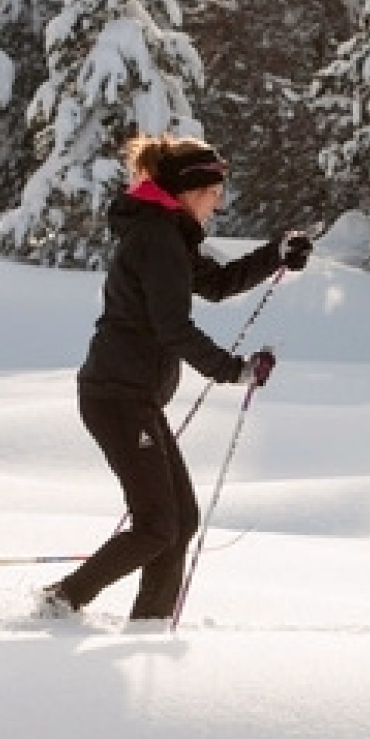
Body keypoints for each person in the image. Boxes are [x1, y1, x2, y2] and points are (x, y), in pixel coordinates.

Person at [38, 134, 312, 623]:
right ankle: (64, 599)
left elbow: (216, 284)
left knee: (179, 522)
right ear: (190, 191)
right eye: (214, 193)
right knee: (157, 526)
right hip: (118, 397)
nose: (218, 204)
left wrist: (276, 254)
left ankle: (150, 624)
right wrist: (234, 370)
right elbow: (173, 330)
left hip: (131, 398)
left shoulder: (167, 234)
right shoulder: (157, 238)